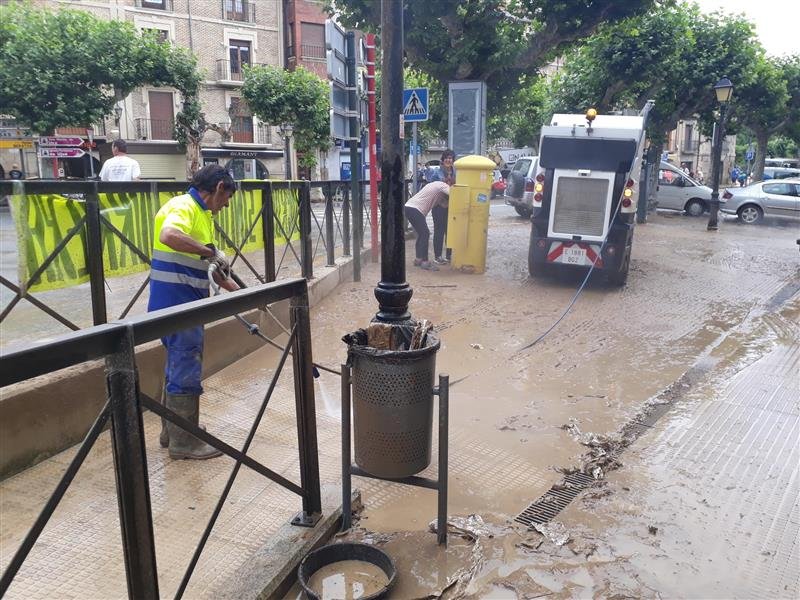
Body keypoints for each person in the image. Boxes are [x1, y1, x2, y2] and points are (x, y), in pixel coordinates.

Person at [148, 164, 239, 460]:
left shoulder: (201, 215)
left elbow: (212, 271)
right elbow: (168, 235)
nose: (224, 207)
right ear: (219, 187)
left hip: (184, 303)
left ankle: (171, 433)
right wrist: (210, 251)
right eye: (225, 199)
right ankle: (184, 443)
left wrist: (245, 296)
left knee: (178, 364)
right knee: (186, 368)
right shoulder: (183, 206)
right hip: (177, 304)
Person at [404, 180, 450, 271]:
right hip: (416, 209)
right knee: (425, 234)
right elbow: (456, 194)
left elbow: (443, 204)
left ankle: (418, 259)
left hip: (408, 207)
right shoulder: (443, 186)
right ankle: (425, 262)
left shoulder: (433, 186)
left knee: (420, 234)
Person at [427, 149, 456, 264]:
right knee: (439, 231)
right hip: (439, 205)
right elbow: (433, 186)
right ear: (443, 160)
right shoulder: (436, 172)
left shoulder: (455, 172)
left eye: (451, 158)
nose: (449, 160)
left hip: (452, 206)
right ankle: (438, 256)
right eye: (447, 158)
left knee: (450, 231)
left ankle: (449, 256)